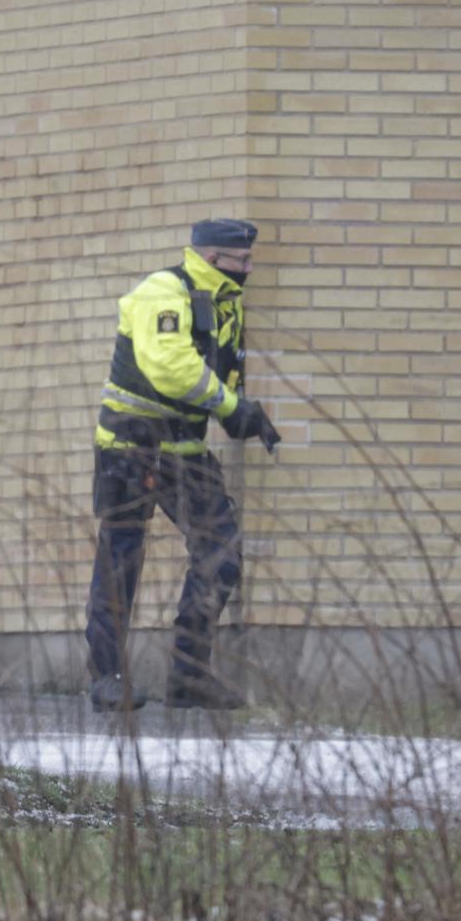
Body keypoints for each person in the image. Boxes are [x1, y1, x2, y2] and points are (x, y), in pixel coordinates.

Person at [84, 218, 282, 713]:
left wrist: (242, 413)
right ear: (214, 259)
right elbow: (170, 368)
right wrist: (230, 407)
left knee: (221, 554)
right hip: (131, 448)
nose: (250, 268)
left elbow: (218, 372)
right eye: (242, 261)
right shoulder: (163, 291)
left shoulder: (224, 306)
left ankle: (189, 677)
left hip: (185, 452)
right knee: (120, 561)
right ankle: (107, 679)